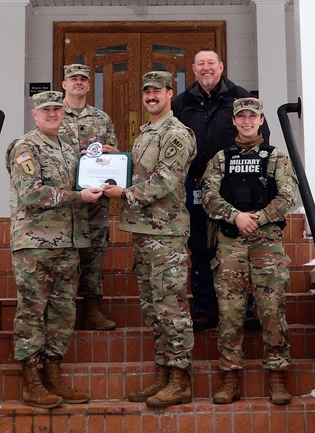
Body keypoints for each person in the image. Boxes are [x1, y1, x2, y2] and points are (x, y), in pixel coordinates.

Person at [103, 71, 196, 408]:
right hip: (145, 232)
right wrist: (118, 158)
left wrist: (124, 194)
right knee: (153, 308)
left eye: (158, 90)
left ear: (170, 93)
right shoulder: (146, 134)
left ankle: (180, 379)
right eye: (146, 91)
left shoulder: (176, 133)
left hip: (165, 233)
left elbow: (166, 181)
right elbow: (144, 171)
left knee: (171, 307)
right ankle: (164, 375)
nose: (151, 95)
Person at [6, 90, 104, 409]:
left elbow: (86, 177)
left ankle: (53, 374)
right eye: (45, 109)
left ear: (64, 113)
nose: (52, 113)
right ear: (35, 114)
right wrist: (78, 198)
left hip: (68, 243)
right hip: (35, 245)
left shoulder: (67, 147)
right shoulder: (25, 147)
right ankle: (32, 381)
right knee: (33, 312)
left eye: (57, 109)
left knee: (63, 313)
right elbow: (31, 193)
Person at [200, 97, 298, 406]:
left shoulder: (276, 158)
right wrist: (236, 216)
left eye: (251, 117)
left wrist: (259, 218)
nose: (246, 121)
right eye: (240, 116)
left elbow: (288, 195)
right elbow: (208, 196)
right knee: (229, 313)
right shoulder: (220, 159)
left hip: (267, 243)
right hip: (230, 243)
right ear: (233, 121)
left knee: (271, 310)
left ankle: (278, 376)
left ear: (260, 120)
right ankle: (230, 376)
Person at [171, 48, 268, 331]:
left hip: (235, 184)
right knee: (200, 247)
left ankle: (245, 309)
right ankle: (205, 308)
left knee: (238, 247)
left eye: (211, 63)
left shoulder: (240, 96)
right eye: (200, 64)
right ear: (194, 69)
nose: (206, 68)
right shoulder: (181, 103)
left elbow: (261, 137)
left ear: (221, 66)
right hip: (196, 184)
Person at [59, 63, 119, 331]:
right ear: (65, 84)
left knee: (94, 255)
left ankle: (92, 310)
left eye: (83, 79)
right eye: (74, 79)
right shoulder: (54, 114)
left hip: (96, 201)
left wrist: (113, 153)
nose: (79, 83)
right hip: (65, 200)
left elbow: (113, 155)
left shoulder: (102, 119)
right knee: (64, 257)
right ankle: (64, 312)